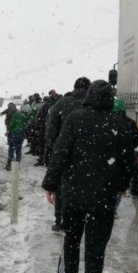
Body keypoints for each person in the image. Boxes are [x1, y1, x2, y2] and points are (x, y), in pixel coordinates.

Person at [42, 80, 135, 273]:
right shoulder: (120, 124)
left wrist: (51, 184)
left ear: (89, 96)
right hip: (104, 197)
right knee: (96, 248)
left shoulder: (75, 119)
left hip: (74, 194)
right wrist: (122, 185)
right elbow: (127, 161)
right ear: (110, 99)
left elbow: (61, 152)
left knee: (71, 239)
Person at [45, 77, 91, 231]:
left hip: (64, 153)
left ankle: (60, 220)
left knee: (61, 188)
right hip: (87, 156)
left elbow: (51, 129)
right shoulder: (92, 105)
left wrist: (55, 148)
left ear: (74, 87)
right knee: (85, 188)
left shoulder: (62, 103)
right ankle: (81, 220)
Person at [5, 106, 28, 171]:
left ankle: (9, 164)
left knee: (11, 149)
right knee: (18, 149)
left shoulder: (16, 115)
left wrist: (8, 130)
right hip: (21, 135)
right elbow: (26, 125)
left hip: (14, 134)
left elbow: (11, 124)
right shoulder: (25, 117)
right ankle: (17, 164)